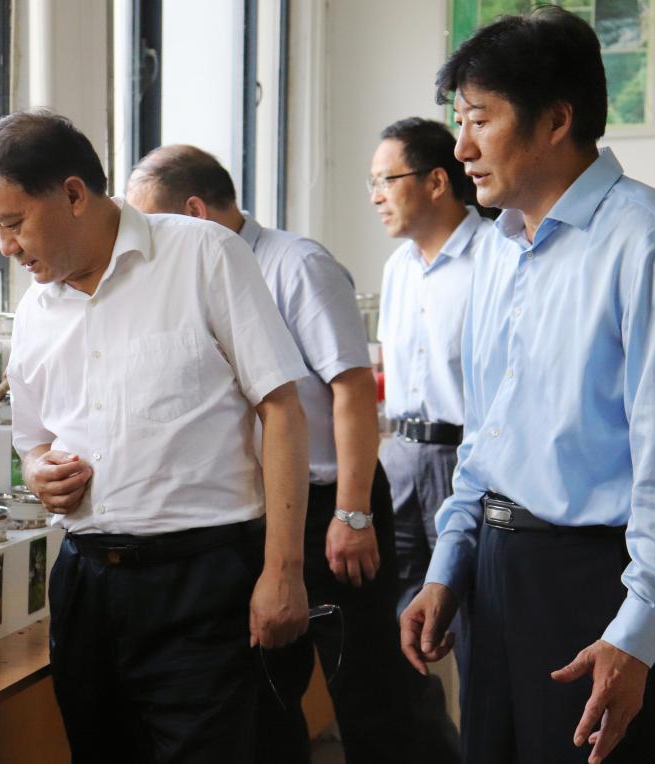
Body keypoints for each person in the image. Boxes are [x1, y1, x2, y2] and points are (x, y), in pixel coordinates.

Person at [0, 110, 312, 763]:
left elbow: (282, 409)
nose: (6, 248)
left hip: (204, 580)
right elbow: (33, 440)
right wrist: (39, 471)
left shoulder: (202, 254)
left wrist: (283, 571)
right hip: (87, 583)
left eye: (13, 224)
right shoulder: (36, 309)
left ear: (73, 194)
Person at [126, 145, 459, 763]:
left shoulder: (296, 264)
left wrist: (353, 513)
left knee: (369, 685)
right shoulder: (189, 278)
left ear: (194, 212)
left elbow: (353, 388)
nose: (143, 242)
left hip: (332, 504)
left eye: (152, 224)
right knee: (267, 692)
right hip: (256, 512)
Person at [400, 7, 655, 763]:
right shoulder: (496, 248)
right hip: (494, 570)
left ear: (556, 120)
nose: (461, 147)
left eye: (480, 119)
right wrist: (449, 564)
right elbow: (484, 437)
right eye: (459, 121)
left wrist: (637, 627)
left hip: (595, 582)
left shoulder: (639, 241)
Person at [372, 118, 489, 620]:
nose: (376, 196)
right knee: (394, 614)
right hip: (399, 456)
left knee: (469, 610)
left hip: (463, 459)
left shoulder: (495, 255)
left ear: (437, 181)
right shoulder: (397, 267)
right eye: (372, 183)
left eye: (386, 180)